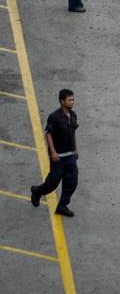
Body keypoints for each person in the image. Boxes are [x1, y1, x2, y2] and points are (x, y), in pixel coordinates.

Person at [30, 89, 81, 217]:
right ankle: (37, 191)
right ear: (62, 101)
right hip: (58, 157)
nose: (72, 102)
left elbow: (73, 132)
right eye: (69, 100)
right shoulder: (54, 116)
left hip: (70, 155)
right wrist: (52, 152)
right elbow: (48, 134)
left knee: (72, 180)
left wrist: (76, 149)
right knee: (52, 183)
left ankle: (62, 205)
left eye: (73, 99)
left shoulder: (73, 115)